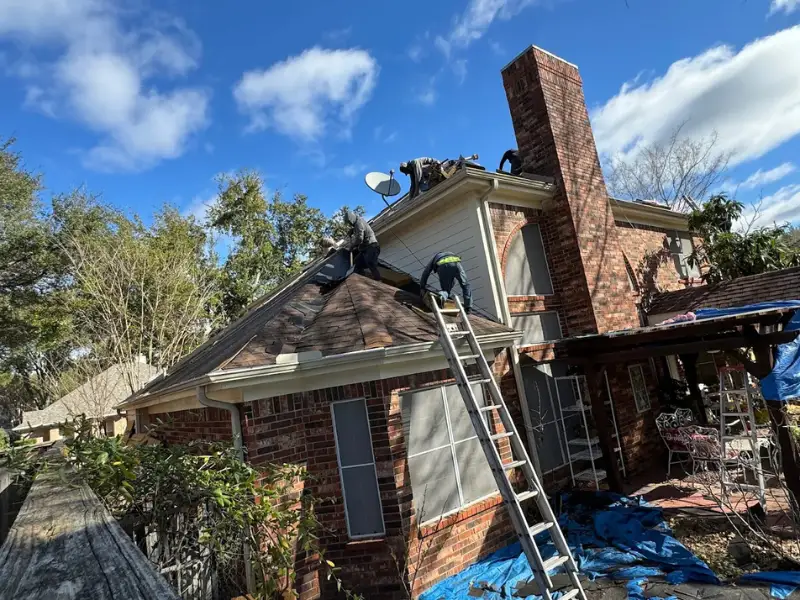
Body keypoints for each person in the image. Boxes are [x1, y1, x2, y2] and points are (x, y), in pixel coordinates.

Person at [344, 209, 381, 281]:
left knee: (370, 262)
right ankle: (361, 281)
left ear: (351, 218)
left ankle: (378, 280)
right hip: (365, 249)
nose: (349, 223)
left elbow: (360, 239)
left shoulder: (358, 222)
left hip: (372, 246)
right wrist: (352, 230)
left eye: (349, 222)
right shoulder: (357, 224)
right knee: (357, 263)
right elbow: (358, 230)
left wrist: (352, 246)